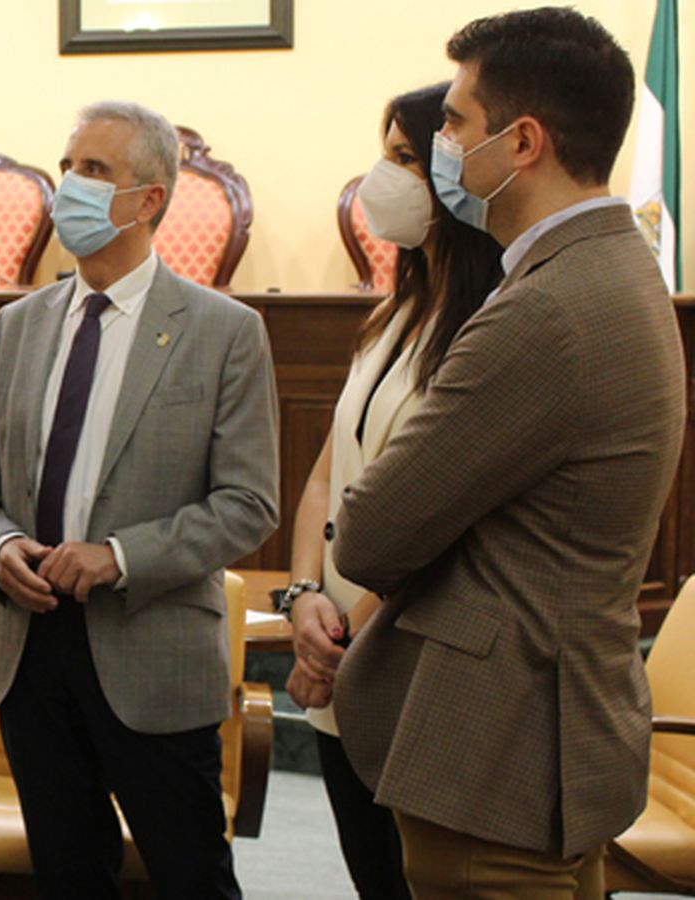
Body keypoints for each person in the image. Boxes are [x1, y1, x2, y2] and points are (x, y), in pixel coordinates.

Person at [330, 8, 685, 898]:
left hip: (499, 755)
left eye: (454, 122)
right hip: (545, 738)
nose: (442, 141)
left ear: (522, 141)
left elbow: (371, 535)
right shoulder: (611, 262)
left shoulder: (545, 309)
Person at [0, 100, 279, 899]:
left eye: (95, 172)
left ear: (150, 200)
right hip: (31, 649)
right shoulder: (18, 325)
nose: (70, 187)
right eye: (68, 167)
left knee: (191, 877)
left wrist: (118, 557)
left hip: (152, 650)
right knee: (67, 875)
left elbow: (249, 502)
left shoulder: (224, 331)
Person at [278, 82, 503, 900]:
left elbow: (441, 517)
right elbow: (324, 476)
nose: (383, 176)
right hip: (333, 641)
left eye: (405, 157)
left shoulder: (490, 325)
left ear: (455, 177)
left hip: (398, 653)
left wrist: (341, 643)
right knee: (368, 873)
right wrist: (305, 595)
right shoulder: (393, 313)